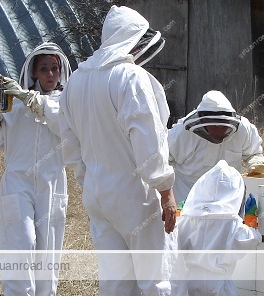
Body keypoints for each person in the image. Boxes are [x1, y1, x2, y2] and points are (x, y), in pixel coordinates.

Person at [58, 5, 176, 296]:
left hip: (98, 198)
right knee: (154, 280)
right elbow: (147, 136)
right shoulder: (130, 78)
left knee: (115, 283)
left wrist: (91, 183)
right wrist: (165, 190)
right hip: (137, 197)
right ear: (133, 40)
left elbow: (70, 147)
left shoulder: (75, 81)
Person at [0, 42, 72, 295]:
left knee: (47, 251)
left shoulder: (66, 103)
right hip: (17, 183)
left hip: (51, 184)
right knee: (21, 243)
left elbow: (60, 123)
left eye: (54, 68)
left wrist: (28, 98)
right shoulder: (16, 105)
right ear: (33, 72)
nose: (50, 74)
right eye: (44, 69)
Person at [173, 160, 262, 295]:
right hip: (219, 286)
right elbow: (253, 240)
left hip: (189, 283)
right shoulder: (231, 224)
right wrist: (251, 221)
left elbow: (173, 238)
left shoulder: (188, 219)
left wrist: (179, 214)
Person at [168, 90, 264, 204]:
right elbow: (162, 160)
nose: (218, 130)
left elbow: (254, 153)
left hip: (228, 197)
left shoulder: (244, 129)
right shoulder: (181, 133)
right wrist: (166, 194)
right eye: (214, 126)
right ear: (202, 119)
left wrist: (255, 165)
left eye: (222, 125)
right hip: (187, 197)